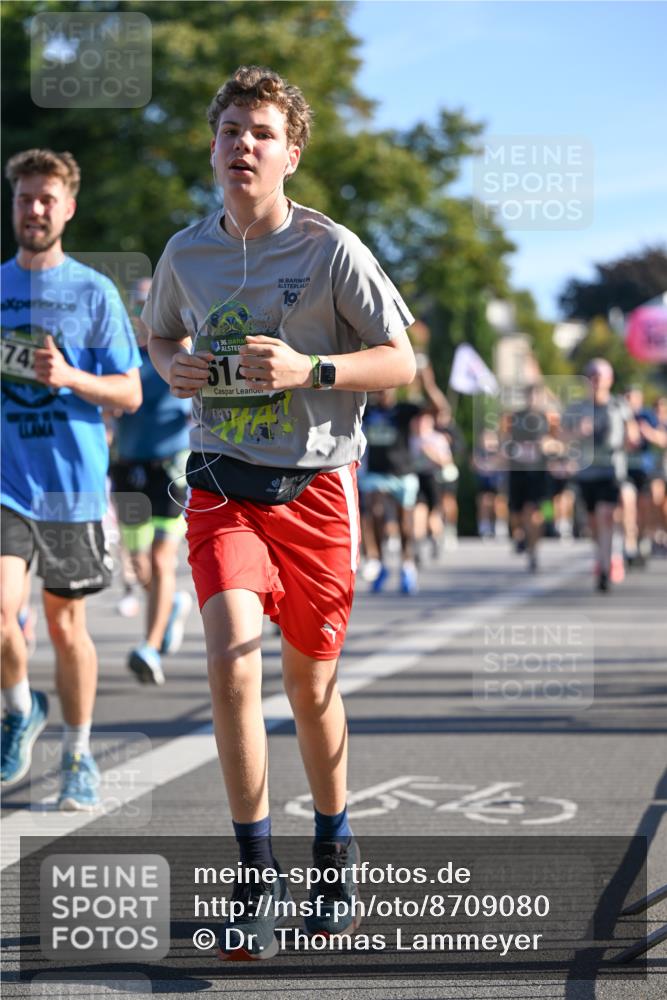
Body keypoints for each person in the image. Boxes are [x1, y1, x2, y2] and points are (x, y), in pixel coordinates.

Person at [144, 66, 416, 959]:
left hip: (316, 489)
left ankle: (333, 840)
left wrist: (313, 371)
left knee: (308, 687)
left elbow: (401, 362)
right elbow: (164, 333)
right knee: (229, 660)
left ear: (289, 153)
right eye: (230, 132)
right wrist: (172, 366)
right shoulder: (186, 253)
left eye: (261, 133)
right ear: (213, 148)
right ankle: (255, 873)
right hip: (223, 481)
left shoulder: (332, 250)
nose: (243, 146)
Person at [1, 149, 142, 807]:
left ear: (68, 207)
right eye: (25, 198)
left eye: (46, 199)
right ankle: (19, 707)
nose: (34, 209)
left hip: (70, 486)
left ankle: (78, 751)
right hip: (6, 482)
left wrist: (70, 378)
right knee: (3, 613)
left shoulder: (93, 292)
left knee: (65, 627)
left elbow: (130, 393)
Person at [109, 278, 192, 685]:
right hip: (128, 466)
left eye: (150, 303)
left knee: (161, 560)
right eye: (139, 305)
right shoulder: (120, 353)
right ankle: (172, 603)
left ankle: (150, 646)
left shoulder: (182, 349)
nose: (145, 312)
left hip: (172, 468)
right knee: (139, 565)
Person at [575, 359, 639, 591]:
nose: (596, 380)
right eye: (592, 375)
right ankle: (602, 557)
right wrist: (576, 431)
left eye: (600, 376)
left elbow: (633, 433)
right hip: (586, 473)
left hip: (612, 469)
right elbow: (561, 436)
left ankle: (605, 567)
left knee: (606, 516)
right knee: (593, 523)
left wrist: (631, 440)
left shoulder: (619, 405)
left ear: (610, 380)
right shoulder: (578, 407)